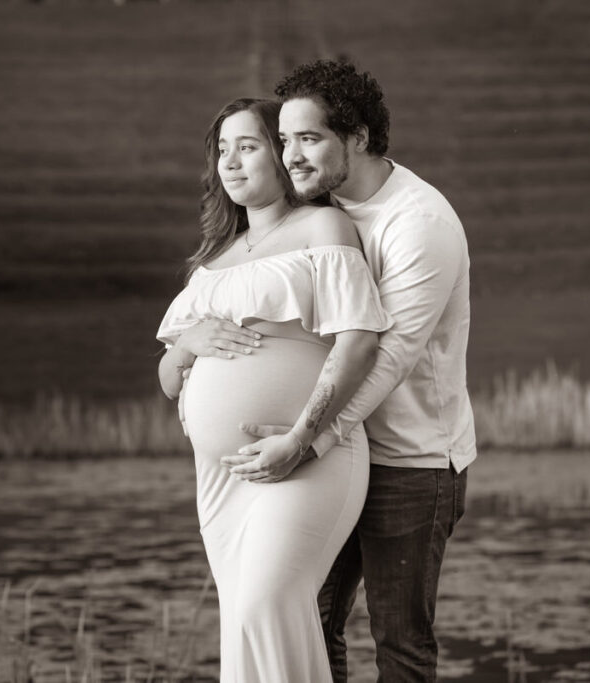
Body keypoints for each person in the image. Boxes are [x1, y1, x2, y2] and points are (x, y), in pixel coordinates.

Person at [231, 60, 478, 682]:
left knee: (400, 644)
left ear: (360, 137)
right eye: (285, 140)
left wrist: (305, 440)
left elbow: (387, 357)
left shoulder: (419, 225)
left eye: (309, 138)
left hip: (411, 463)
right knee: (310, 622)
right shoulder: (320, 209)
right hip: (342, 454)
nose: (291, 157)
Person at [155, 97, 393, 683]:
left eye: (249, 145)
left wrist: (300, 437)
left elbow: (358, 342)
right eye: (222, 149)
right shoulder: (210, 262)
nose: (231, 162)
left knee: (268, 604)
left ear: (283, 155)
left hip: (305, 458)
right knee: (241, 623)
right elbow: (167, 381)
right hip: (221, 481)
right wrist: (189, 344)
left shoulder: (322, 227)